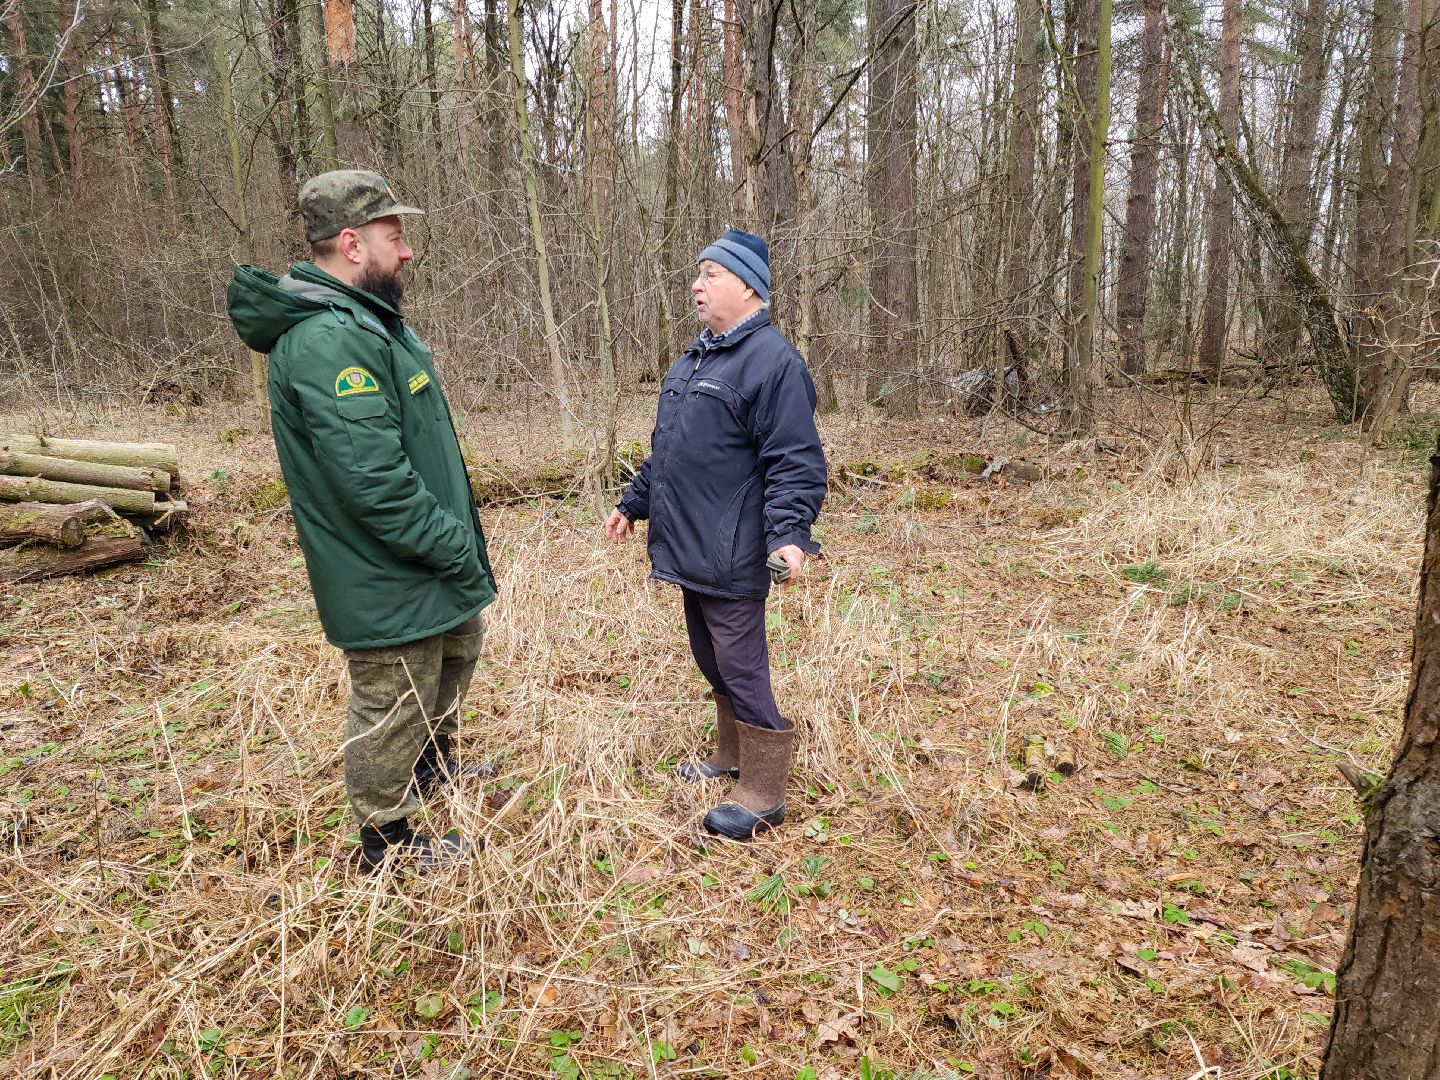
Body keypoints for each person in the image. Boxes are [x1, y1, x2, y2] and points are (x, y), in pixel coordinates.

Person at [227, 169, 497, 872]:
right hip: (385, 569)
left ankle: (429, 769)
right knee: (395, 695)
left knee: (455, 650)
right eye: (393, 236)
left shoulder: (367, 321)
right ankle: (387, 841)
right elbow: (372, 482)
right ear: (352, 243)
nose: (405, 252)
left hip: (423, 558)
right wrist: (451, 543)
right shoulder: (327, 341)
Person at [604, 229, 827, 839]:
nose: (697, 287)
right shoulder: (694, 357)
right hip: (688, 543)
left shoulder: (774, 362)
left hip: (733, 548)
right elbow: (668, 450)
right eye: (696, 276)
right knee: (710, 655)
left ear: (748, 285)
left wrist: (789, 533)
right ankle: (729, 757)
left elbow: (795, 460)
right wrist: (634, 502)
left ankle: (763, 790)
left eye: (711, 275)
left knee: (741, 662)